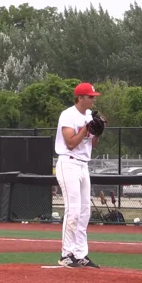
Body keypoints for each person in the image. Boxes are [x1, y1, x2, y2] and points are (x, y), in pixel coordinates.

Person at [54, 82, 104, 268]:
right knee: (73, 210)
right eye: (90, 96)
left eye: (93, 96)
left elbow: (94, 144)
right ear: (80, 98)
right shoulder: (68, 115)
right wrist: (86, 128)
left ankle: (81, 254)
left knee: (84, 212)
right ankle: (66, 254)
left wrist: (98, 131)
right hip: (69, 162)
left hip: (83, 165)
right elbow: (70, 143)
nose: (93, 99)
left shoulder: (90, 115)